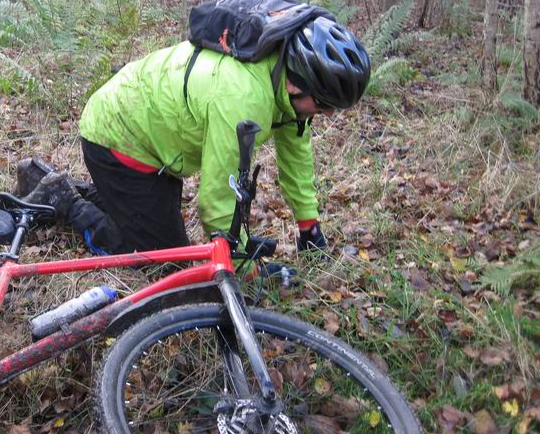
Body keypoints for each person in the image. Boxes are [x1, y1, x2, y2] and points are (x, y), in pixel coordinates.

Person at [18, 16, 370, 256]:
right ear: (297, 82)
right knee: (162, 261)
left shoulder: (283, 81)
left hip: (155, 138)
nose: (327, 115)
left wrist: (309, 227)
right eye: (324, 106)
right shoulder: (243, 98)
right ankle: (67, 204)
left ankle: (64, 185)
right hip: (119, 136)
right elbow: (216, 205)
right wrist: (240, 263)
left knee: (151, 221)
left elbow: (296, 156)